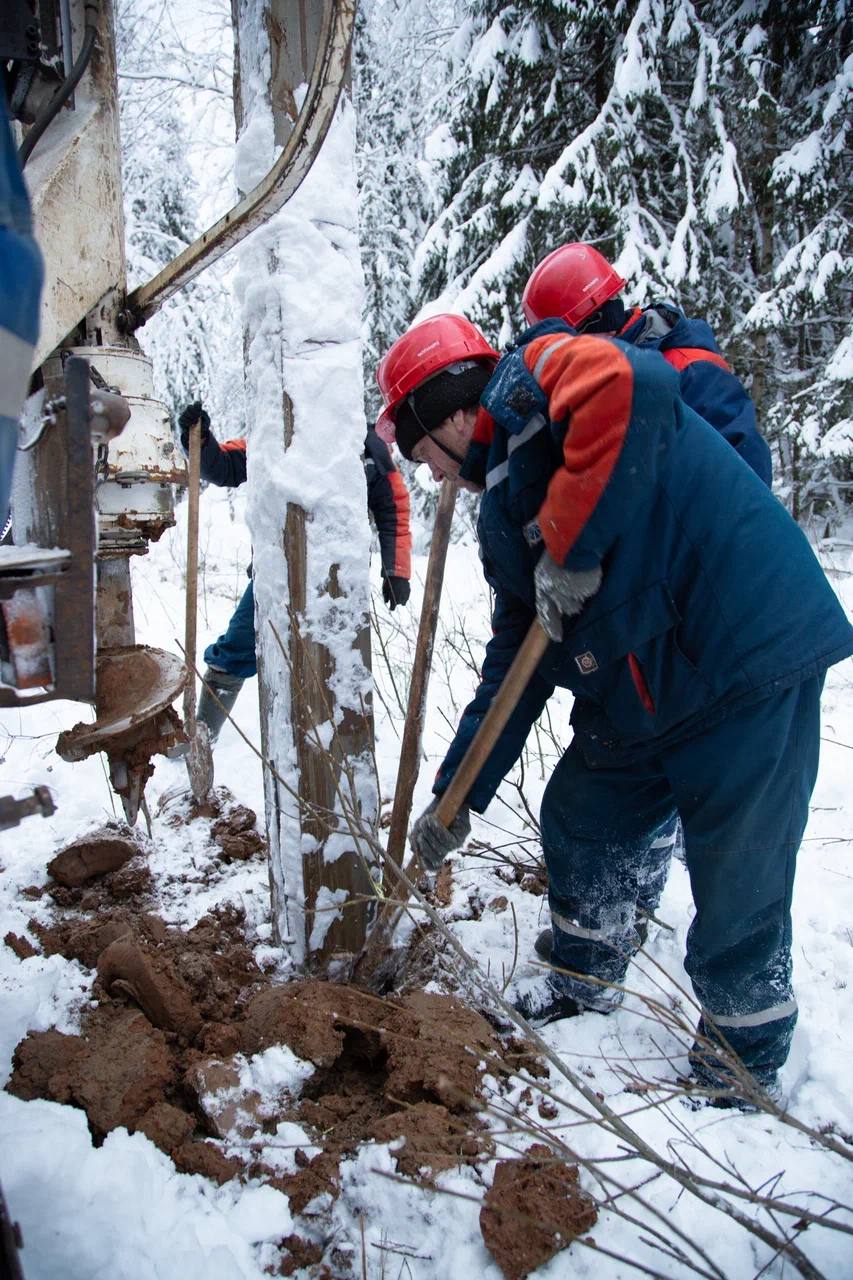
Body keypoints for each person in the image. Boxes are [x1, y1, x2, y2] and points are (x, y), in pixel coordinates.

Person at [375, 312, 853, 1102]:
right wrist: (455, 798)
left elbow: (630, 383)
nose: (426, 474)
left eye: (419, 450)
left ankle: (742, 1058)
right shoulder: (502, 507)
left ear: (452, 412)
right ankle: (582, 974)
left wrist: (570, 542)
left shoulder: (532, 375)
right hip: (642, 677)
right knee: (580, 814)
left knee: (738, 873)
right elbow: (512, 666)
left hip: (737, 653)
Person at [176, 404, 412, 743]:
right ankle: (201, 741)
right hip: (275, 575)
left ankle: (332, 753)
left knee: (333, 671)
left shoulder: (368, 446)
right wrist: (199, 441)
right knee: (234, 652)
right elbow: (225, 466)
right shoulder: (279, 434)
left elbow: (393, 509)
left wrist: (397, 570)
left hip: (338, 584)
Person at [521, 242, 772, 486]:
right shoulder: (597, 386)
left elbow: (749, 470)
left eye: (562, 348)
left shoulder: (688, 368)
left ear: (593, 326)